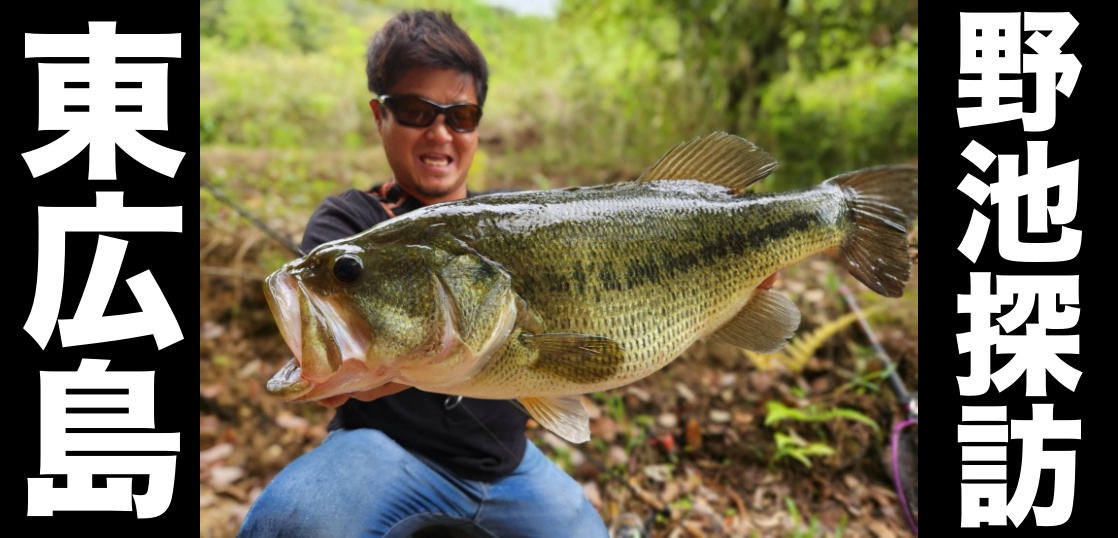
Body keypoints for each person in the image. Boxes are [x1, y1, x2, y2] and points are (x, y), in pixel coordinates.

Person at [237, 10, 609, 538]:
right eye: (416, 111)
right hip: (385, 455)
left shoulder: (510, 225)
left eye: (461, 116)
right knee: (293, 524)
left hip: (511, 466)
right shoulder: (350, 229)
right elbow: (342, 375)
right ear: (379, 115)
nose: (440, 133)